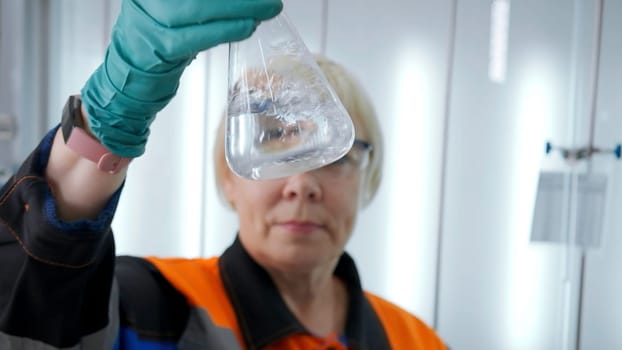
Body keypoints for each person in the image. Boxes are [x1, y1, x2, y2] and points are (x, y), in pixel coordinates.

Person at [0, 0, 447, 349]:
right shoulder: (152, 308)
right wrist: (109, 119)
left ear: (370, 176)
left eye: (334, 157)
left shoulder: (413, 340)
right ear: (228, 176)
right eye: (275, 144)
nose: (303, 184)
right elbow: (32, 322)